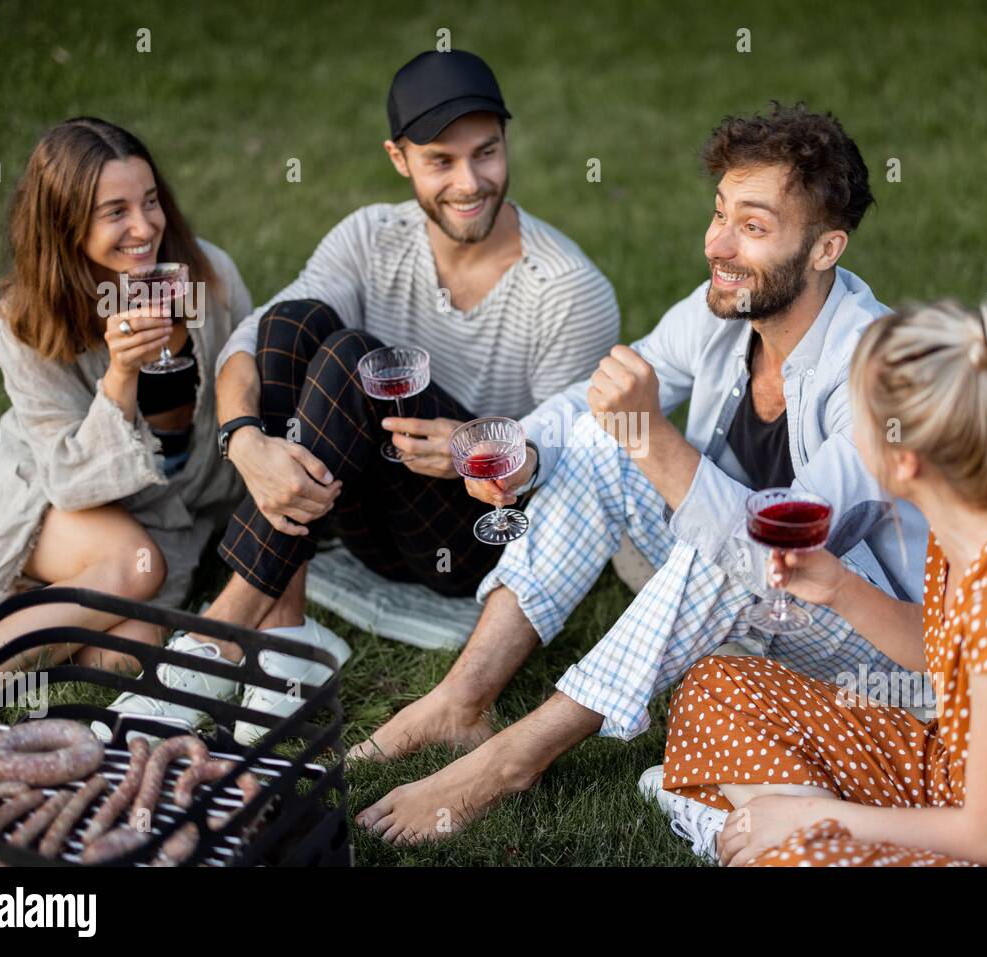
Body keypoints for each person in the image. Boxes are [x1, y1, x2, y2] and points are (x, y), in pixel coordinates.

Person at [353, 103, 931, 843]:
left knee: (752, 544)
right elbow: (607, 394)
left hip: (877, 650)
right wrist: (526, 449)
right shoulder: (726, 307)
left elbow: (783, 551)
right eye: (719, 212)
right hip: (745, 610)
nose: (716, 243)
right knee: (602, 442)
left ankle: (512, 760)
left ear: (826, 249)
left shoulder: (885, 371)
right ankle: (464, 699)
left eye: (752, 226)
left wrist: (653, 435)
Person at [101, 50, 620, 743]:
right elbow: (253, 343)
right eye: (441, 160)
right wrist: (245, 441)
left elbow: (579, 474)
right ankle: (284, 635)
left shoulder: (569, 289)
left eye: (487, 153)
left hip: (476, 538)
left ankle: (220, 635)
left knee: (353, 358)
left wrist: (482, 457)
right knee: (293, 324)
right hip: (361, 511)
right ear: (398, 158)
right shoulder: (371, 236)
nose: (471, 182)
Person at [658, 299, 987, 866]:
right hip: (956, 775)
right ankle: (768, 824)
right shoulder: (986, 510)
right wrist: (839, 586)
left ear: (906, 461)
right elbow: (939, 648)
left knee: (796, 858)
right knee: (717, 683)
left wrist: (810, 820)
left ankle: (768, 826)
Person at [0, 117, 251, 679]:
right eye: (116, 212)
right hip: (51, 489)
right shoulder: (27, 315)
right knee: (134, 567)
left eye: (151, 201)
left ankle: (49, 602)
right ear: (65, 223)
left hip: (159, 508)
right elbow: (69, 479)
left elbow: (249, 386)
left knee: (127, 646)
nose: (144, 226)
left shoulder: (209, 277)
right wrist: (120, 374)